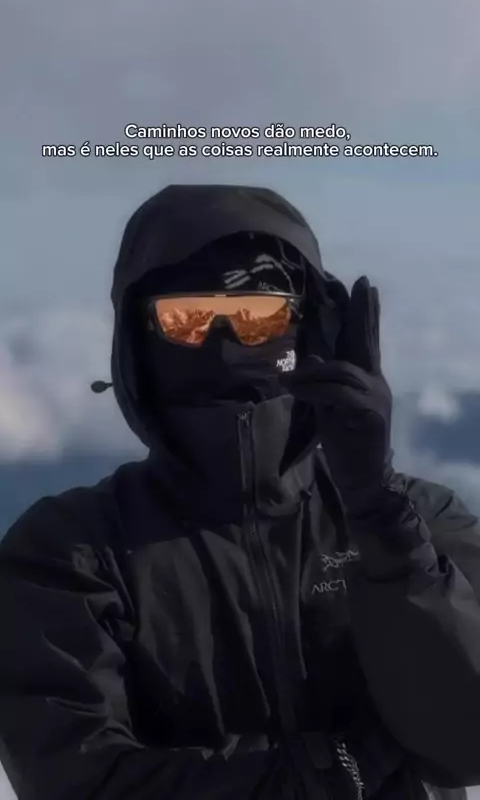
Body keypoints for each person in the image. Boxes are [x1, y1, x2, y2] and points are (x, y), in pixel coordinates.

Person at [0, 185, 478, 800]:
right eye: (187, 319)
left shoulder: (422, 522)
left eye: (260, 316)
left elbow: (467, 743)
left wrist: (378, 512)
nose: (224, 342)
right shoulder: (68, 555)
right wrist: (324, 774)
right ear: (137, 341)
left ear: (310, 327)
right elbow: (76, 779)